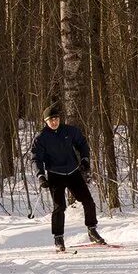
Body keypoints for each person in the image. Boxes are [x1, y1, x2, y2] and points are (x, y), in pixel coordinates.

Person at [31, 107, 106, 252]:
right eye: (51, 120)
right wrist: (41, 176)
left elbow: (82, 144)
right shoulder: (41, 138)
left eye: (56, 119)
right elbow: (36, 159)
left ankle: (92, 230)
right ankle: (58, 238)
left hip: (73, 172)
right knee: (60, 207)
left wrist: (84, 160)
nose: (54, 122)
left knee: (88, 200)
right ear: (45, 121)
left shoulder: (70, 131)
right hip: (55, 174)